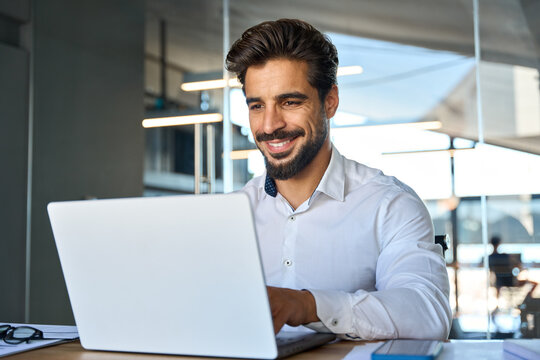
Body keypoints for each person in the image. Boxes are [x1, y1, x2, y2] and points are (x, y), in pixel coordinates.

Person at [226, 18, 451, 340]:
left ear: (329, 101)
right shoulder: (232, 213)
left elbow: (427, 313)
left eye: (290, 102)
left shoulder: (388, 204)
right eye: (257, 105)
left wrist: (308, 305)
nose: (269, 125)